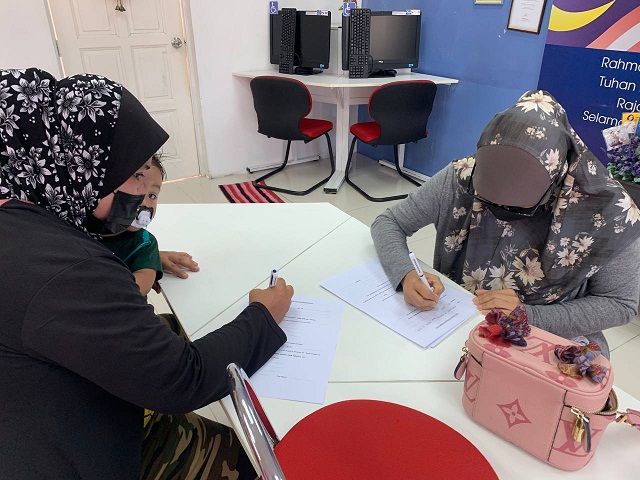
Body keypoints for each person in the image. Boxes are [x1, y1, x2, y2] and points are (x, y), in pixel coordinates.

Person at [0, 68, 294, 480]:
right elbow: (183, 379)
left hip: (44, 414)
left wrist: (139, 261)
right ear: (77, 163)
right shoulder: (66, 268)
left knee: (175, 326)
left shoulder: (22, 216)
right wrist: (263, 317)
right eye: (131, 170)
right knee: (259, 458)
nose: (140, 193)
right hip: (82, 451)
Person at [371, 90, 640, 358]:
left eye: (518, 209)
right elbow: (389, 222)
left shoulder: (610, 212)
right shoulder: (462, 176)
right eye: (486, 201)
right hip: (455, 323)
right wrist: (407, 273)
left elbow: (620, 304)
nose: (500, 213)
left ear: (556, 178)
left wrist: (530, 315)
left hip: (551, 339)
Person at [100, 153, 166, 296]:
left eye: (152, 196)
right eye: (137, 189)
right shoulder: (82, 231)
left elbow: (141, 285)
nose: (145, 203)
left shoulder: (145, 243)